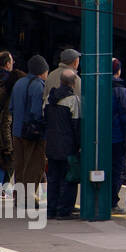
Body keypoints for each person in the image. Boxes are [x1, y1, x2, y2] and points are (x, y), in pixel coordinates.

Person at [10, 55, 48, 206]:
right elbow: (36, 111)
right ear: (41, 71)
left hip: (17, 131)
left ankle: (18, 197)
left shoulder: (19, 83)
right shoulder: (38, 85)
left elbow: (11, 108)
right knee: (34, 165)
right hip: (32, 134)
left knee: (19, 164)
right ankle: (28, 198)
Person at [42, 68, 81, 220]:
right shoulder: (73, 100)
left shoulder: (49, 98)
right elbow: (76, 126)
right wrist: (79, 145)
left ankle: (51, 209)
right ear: (73, 83)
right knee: (68, 179)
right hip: (67, 146)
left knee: (52, 178)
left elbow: (44, 120)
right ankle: (64, 210)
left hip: (51, 144)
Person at [108, 59, 126, 213]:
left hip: (100, 136)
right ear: (118, 71)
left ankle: (99, 198)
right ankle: (112, 202)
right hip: (116, 136)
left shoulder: (97, 84)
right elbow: (124, 114)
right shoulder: (120, 90)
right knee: (116, 169)